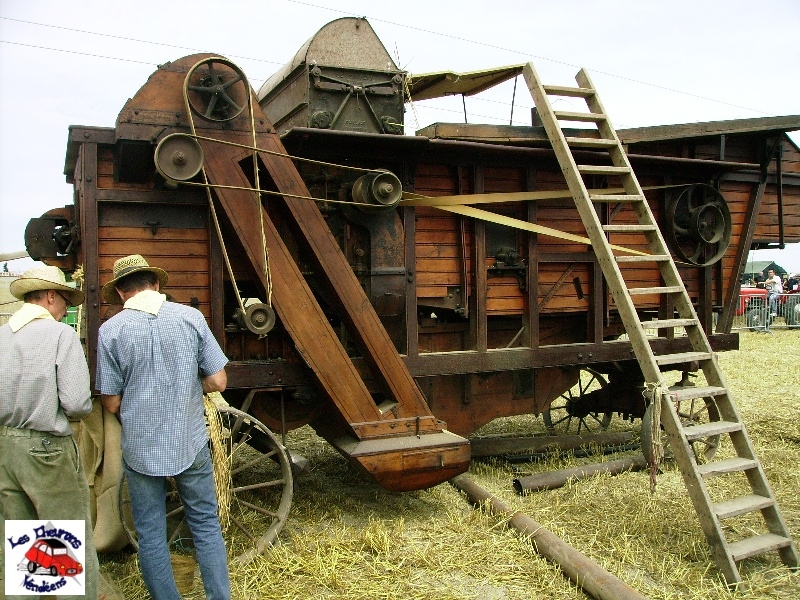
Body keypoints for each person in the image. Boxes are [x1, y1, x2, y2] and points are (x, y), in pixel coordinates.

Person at [96, 255, 230, 600]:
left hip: (141, 448)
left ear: (122, 293)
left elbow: (110, 402)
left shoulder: (111, 330)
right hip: (190, 442)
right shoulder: (190, 317)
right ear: (155, 284)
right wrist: (187, 385)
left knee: (151, 535)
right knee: (205, 525)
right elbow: (218, 380)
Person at [0, 265, 99, 599]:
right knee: (66, 541)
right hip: (47, 449)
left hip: (6, 448)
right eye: (64, 303)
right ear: (51, 297)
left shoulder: (2, 335)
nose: (66, 310)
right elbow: (76, 404)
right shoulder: (61, 335)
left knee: (26, 544)